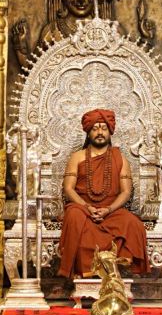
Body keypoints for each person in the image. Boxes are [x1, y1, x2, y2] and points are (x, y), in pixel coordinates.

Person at [58, 109, 150, 278]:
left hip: (111, 211)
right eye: (95, 128)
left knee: (132, 223)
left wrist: (108, 209)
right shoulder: (77, 157)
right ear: (88, 132)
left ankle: (114, 270)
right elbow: (68, 188)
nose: (100, 132)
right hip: (82, 208)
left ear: (110, 131)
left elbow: (126, 191)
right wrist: (87, 207)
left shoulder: (120, 158)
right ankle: (86, 271)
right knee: (74, 217)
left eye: (104, 128)